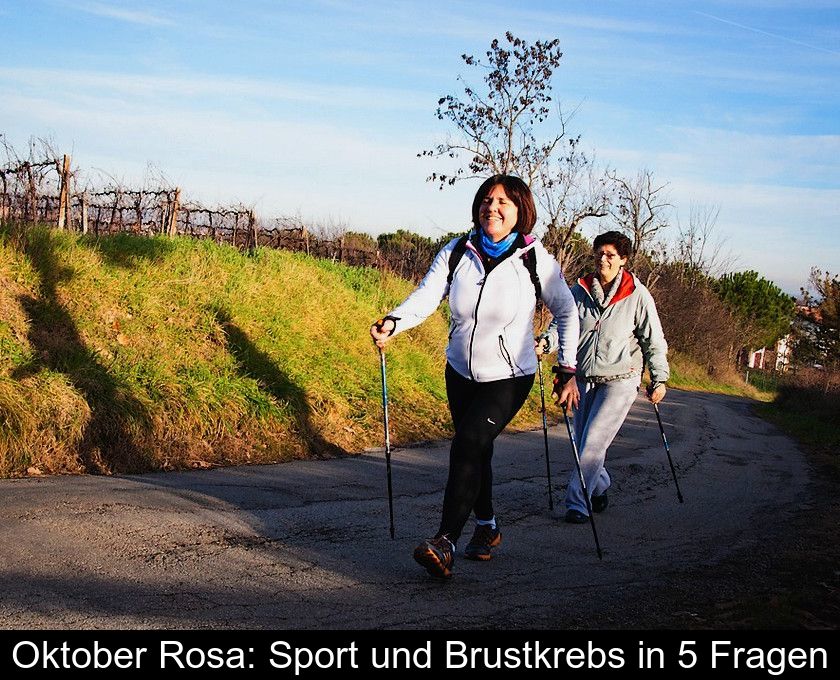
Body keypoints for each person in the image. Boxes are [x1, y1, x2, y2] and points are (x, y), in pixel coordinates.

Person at [370, 175, 580, 579]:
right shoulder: (456, 251)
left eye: (503, 201)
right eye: (486, 200)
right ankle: (487, 527)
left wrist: (566, 366)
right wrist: (394, 321)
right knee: (476, 450)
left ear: (520, 211)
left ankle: (444, 540)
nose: (492, 207)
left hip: (509, 375)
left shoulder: (535, 259)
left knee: (467, 443)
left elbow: (567, 311)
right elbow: (427, 296)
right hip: (460, 372)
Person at [538, 230, 669, 524]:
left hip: (621, 378)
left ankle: (577, 504)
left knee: (593, 443)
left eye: (610, 255)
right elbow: (563, 324)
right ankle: (599, 485)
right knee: (583, 444)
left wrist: (659, 379)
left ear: (623, 260)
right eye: (599, 253)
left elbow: (654, 340)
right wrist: (545, 342)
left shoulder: (637, 294)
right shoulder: (580, 289)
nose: (603, 259)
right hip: (583, 378)